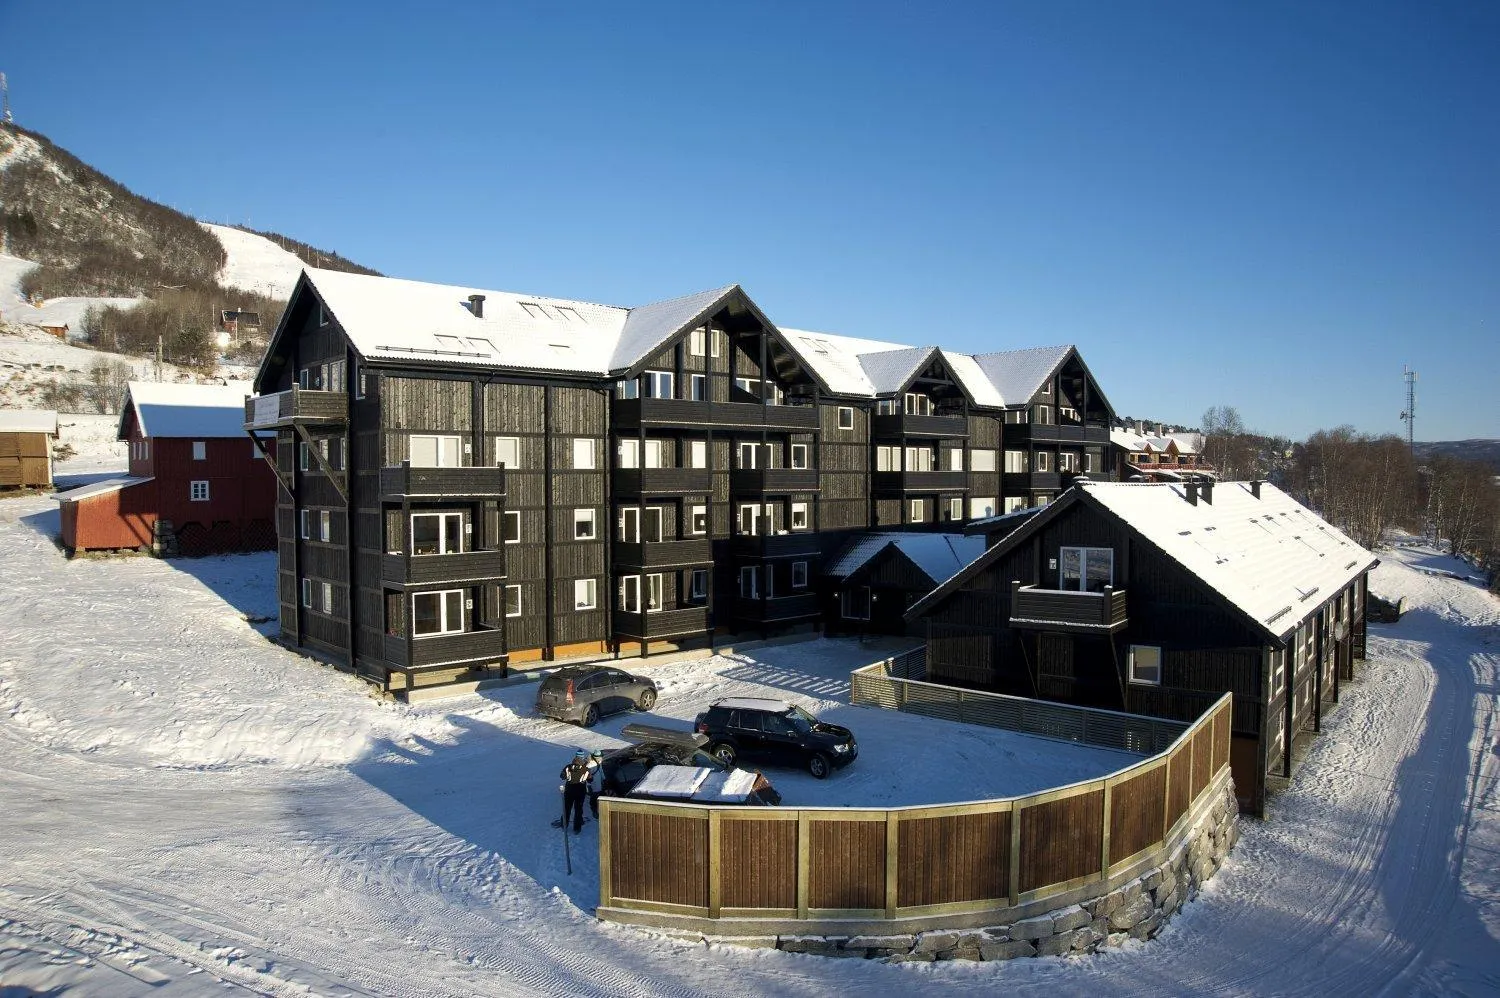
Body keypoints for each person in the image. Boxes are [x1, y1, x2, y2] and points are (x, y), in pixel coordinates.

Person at [559, 749, 591, 835]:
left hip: (569, 791)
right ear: (582, 758)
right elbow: (590, 780)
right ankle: (577, 828)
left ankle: (564, 825)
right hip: (580, 792)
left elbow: (562, 776)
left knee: (567, 808)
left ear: (575, 757)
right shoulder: (586, 769)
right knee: (578, 809)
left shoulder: (568, 767)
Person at [587, 748, 605, 819]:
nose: (600, 758)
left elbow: (601, 771)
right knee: (594, 797)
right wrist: (589, 785)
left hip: (598, 783)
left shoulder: (598, 761)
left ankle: (597, 809)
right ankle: (594, 811)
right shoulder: (590, 764)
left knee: (597, 796)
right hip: (593, 784)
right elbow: (587, 776)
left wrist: (603, 779)